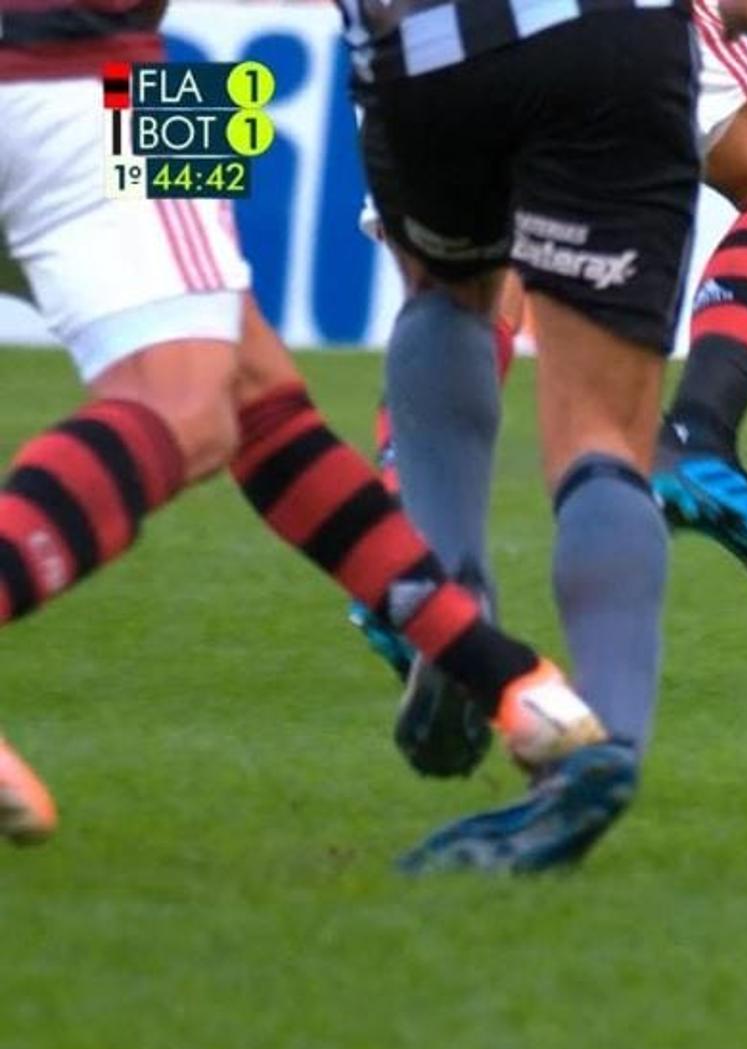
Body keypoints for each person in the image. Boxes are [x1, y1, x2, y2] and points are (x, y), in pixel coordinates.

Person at [0, 0, 614, 866]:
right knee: (188, 406)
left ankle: (505, 677)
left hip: (131, 74)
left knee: (257, 396)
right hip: (89, 73)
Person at [338, 0, 747, 872]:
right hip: (609, 34)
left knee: (442, 296)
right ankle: (597, 751)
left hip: (419, 47)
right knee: (600, 436)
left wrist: (169, 183)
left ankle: (450, 612)